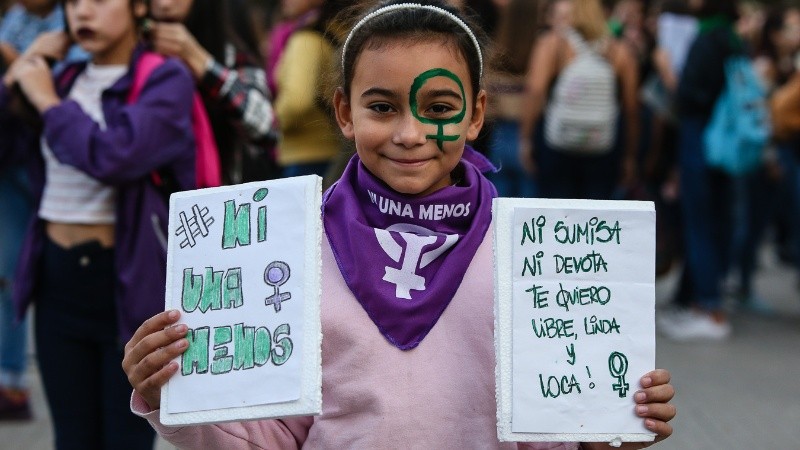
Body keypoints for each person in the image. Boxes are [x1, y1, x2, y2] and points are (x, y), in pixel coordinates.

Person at [123, 1, 676, 448]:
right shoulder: (288, 249)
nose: (410, 134)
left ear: (477, 114)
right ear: (344, 112)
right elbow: (271, 435)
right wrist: (175, 396)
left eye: (439, 108)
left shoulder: (533, 256)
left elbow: (555, 424)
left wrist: (608, 426)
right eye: (382, 107)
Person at [0, 0, 197, 446]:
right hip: (56, 277)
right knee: (70, 435)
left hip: (126, 282)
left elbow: (116, 156)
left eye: (99, 0)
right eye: (72, 2)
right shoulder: (63, 77)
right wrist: (28, 68)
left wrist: (46, 100)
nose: (82, 12)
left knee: (124, 434)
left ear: (138, 8)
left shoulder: (166, 79)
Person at [657, 0, 742, 341]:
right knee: (714, 221)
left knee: (700, 224)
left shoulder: (707, 39)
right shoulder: (732, 37)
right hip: (721, 141)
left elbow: (690, 96)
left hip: (699, 140)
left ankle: (708, 306)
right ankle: (700, 302)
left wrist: (666, 70)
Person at [0, 0, 64, 421]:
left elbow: (49, 86)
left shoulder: (72, 23)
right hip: (11, 158)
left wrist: (14, 59)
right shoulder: (17, 20)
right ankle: (10, 380)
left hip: (53, 163)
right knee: (8, 274)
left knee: (48, 273)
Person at [518, 0, 640, 200]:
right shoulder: (619, 51)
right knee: (596, 217)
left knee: (556, 214)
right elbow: (631, 107)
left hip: (556, 146)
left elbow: (535, 92)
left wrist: (526, 139)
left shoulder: (553, 44)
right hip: (603, 149)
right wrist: (629, 155)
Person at [148, 0, 277, 185]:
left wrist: (199, 61)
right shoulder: (128, 49)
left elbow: (266, 128)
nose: (165, 4)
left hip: (215, 201)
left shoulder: (228, 50)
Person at [272, 0, 341, 179]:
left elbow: (296, 103)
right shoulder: (335, 31)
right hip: (329, 153)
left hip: (303, 158)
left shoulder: (306, 40)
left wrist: (270, 122)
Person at [485, 0, 541, 197]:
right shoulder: (542, 54)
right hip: (532, 134)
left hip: (499, 135)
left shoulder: (494, 54)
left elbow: (487, 101)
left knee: (500, 204)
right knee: (531, 209)